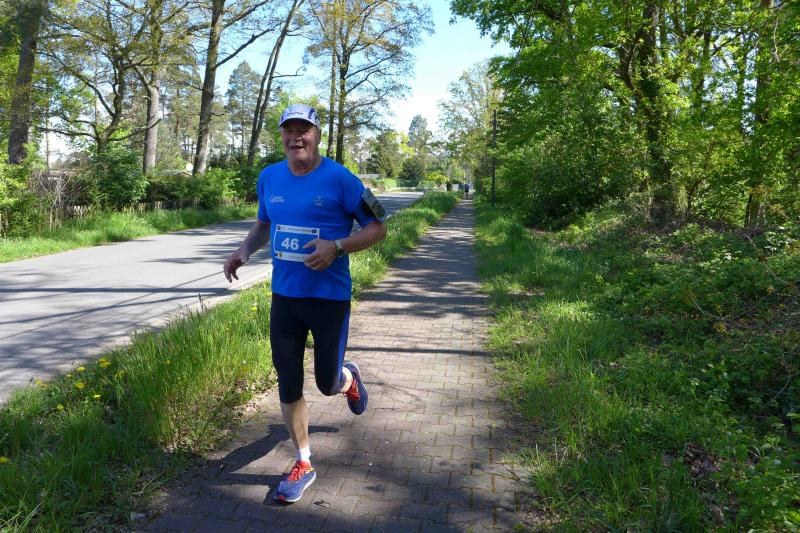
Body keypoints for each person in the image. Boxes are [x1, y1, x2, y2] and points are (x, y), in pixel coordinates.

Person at [223, 103, 387, 504]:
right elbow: (264, 222)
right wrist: (244, 250)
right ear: (281, 135)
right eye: (289, 130)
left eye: (304, 130)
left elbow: (378, 228)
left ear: (317, 135)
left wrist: (338, 247)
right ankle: (303, 461)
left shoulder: (342, 179)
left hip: (329, 298)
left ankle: (347, 379)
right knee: (288, 378)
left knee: (326, 383)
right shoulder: (269, 177)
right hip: (285, 298)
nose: (296, 137)